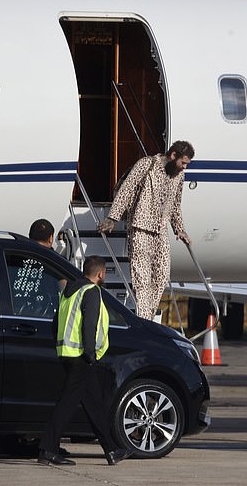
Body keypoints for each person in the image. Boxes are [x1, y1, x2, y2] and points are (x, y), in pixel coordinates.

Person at [38, 256, 132, 466]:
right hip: (82, 356)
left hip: (67, 353)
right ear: (100, 274)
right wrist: (90, 353)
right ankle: (47, 449)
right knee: (66, 404)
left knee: (94, 405)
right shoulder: (91, 292)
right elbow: (89, 324)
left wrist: (62, 346)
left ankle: (111, 450)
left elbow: (56, 324)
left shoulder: (69, 292)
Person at [98, 140, 195, 321]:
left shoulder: (178, 176)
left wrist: (179, 229)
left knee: (161, 275)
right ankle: (144, 318)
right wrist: (113, 217)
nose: (184, 168)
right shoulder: (147, 164)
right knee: (142, 278)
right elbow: (127, 189)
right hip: (140, 226)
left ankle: (147, 316)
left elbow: (176, 204)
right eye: (183, 163)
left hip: (160, 229)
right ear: (173, 155)